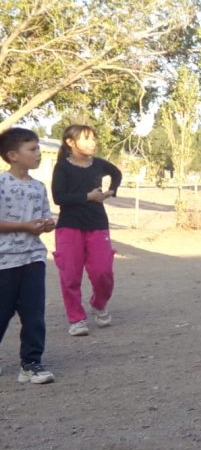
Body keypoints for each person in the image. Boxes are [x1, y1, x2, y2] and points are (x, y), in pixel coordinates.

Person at [50, 125, 122, 337]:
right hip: (69, 226)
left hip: (97, 224)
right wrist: (87, 196)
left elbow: (116, 173)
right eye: (86, 139)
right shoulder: (62, 167)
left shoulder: (98, 164)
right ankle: (76, 319)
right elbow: (59, 197)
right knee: (70, 275)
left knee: (103, 272)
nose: (92, 143)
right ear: (70, 142)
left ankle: (99, 304)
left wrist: (111, 191)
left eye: (93, 138)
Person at [0, 128, 56, 384]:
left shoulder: (38, 187)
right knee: (3, 312)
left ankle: (31, 363)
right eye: (32, 149)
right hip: (5, 260)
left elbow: (45, 215)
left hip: (33, 258)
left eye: (38, 148)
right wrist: (24, 226)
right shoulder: (2, 184)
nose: (38, 154)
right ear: (13, 155)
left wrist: (47, 224)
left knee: (34, 313)